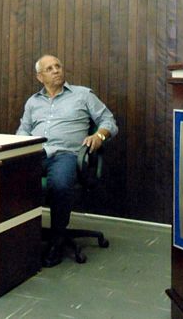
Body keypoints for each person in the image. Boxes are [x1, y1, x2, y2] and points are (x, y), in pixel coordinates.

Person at [16, 54, 118, 267]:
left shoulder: (83, 95)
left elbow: (108, 120)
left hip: (66, 154)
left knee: (60, 185)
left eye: (58, 66)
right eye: (49, 68)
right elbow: (23, 129)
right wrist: (20, 146)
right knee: (9, 179)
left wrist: (99, 136)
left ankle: (57, 241)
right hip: (35, 153)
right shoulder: (33, 102)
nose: (56, 70)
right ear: (40, 77)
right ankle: (18, 236)